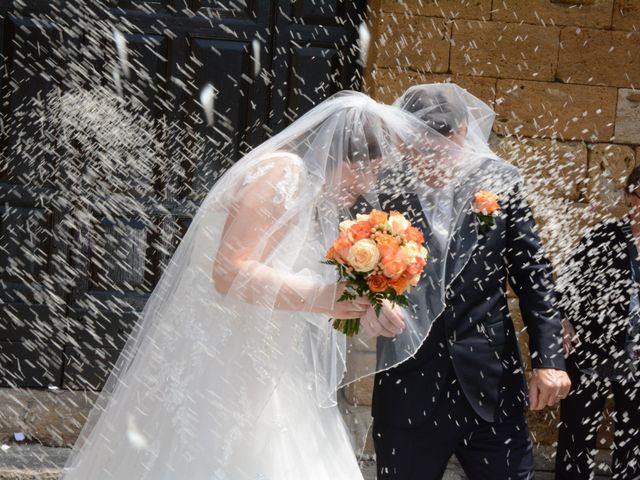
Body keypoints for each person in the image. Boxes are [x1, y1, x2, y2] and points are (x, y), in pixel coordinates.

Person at [59, 90, 479, 480]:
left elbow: (296, 285)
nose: (368, 186)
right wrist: (324, 298)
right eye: (367, 170)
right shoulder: (282, 174)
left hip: (276, 367)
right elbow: (230, 271)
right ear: (342, 156)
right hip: (223, 364)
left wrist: (361, 305)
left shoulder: (318, 198)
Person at [366, 84, 571, 480]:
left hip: (492, 386)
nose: (423, 159)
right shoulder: (383, 192)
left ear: (460, 134)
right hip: (408, 388)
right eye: (413, 147)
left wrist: (549, 360)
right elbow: (354, 272)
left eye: (434, 148)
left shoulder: (499, 187)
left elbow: (534, 277)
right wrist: (371, 305)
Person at [555, 167, 640, 479]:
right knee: (576, 435)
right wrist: (563, 323)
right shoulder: (602, 237)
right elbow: (563, 288)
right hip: (591, 352)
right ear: (632, 196)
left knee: (635, 443)